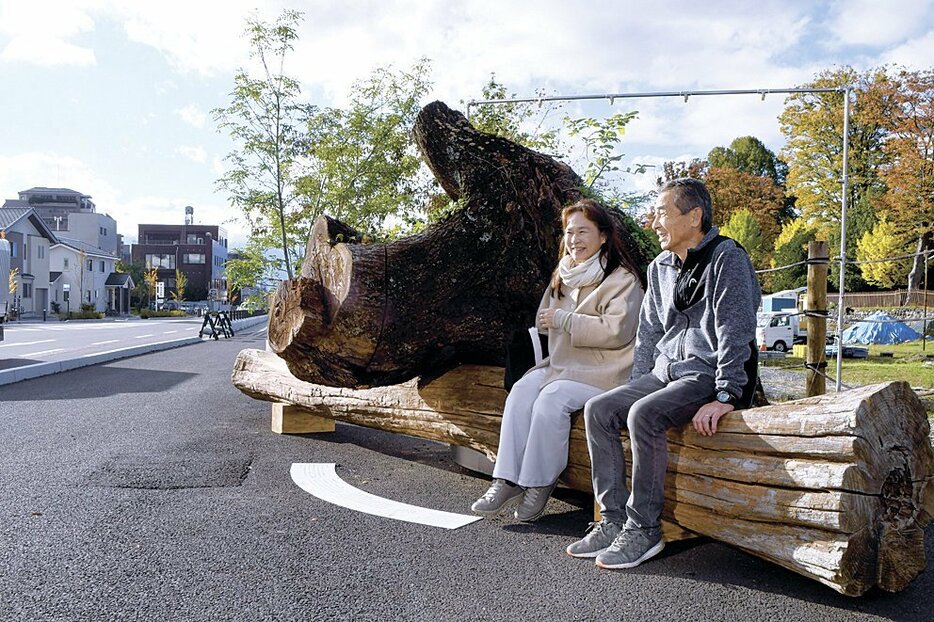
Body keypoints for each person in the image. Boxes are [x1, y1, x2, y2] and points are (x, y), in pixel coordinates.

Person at [566, 178, 760, 567]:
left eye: (661, 213)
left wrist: (727, 396)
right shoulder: (660, 267)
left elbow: (735, 331)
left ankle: (644, 529)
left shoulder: (727, 258)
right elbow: (650, 334)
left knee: (644, 415)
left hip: (703, 374)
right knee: (599, 410)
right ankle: (613, 520)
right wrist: (639, 383)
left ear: (694, 216)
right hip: (664, 372)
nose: (653, 221)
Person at [471, 198, 646, 521]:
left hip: (605, 373)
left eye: (583, 232)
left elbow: (617, 331)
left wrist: (564, 320)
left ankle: (539, 484)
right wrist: (548, 321)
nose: (574, 240)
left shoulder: (623, 280)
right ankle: (506, 479)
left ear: (604, 236)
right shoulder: (563, 273)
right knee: (523, 389)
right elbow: (545, 317)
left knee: (551, 399)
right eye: (569, 232)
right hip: (563, 366)